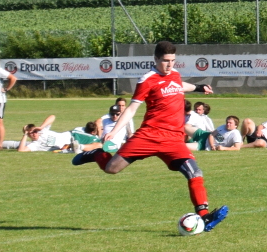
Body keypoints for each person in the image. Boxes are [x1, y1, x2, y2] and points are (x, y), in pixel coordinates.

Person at [73, 41, 227, 231]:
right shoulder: (147, 79)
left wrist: (198, 87)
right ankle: (96, 155)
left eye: (173, 60)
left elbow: (179, 85)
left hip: (173, 139)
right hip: (148, 136)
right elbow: (131, 109)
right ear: (155, 59)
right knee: (111, 168)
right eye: (165, 61)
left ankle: (204, 217)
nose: (169, 65)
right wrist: (113, 132)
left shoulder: (175, 75)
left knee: (195, 173)